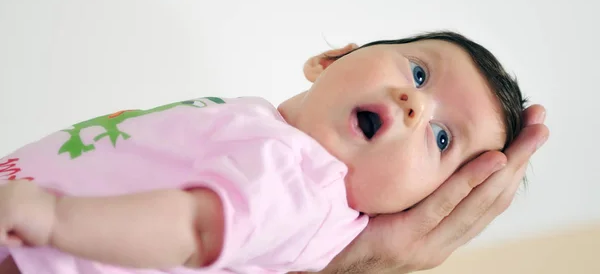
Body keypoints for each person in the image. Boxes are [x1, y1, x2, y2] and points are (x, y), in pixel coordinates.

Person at [0, 31, 549, 274]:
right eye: (420, 72)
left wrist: (51, 217)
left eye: (443, 138)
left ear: (414, 204)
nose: (415, 106)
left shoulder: (302, 184)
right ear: (332, 58)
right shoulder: (275, 141)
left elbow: (195, 228)